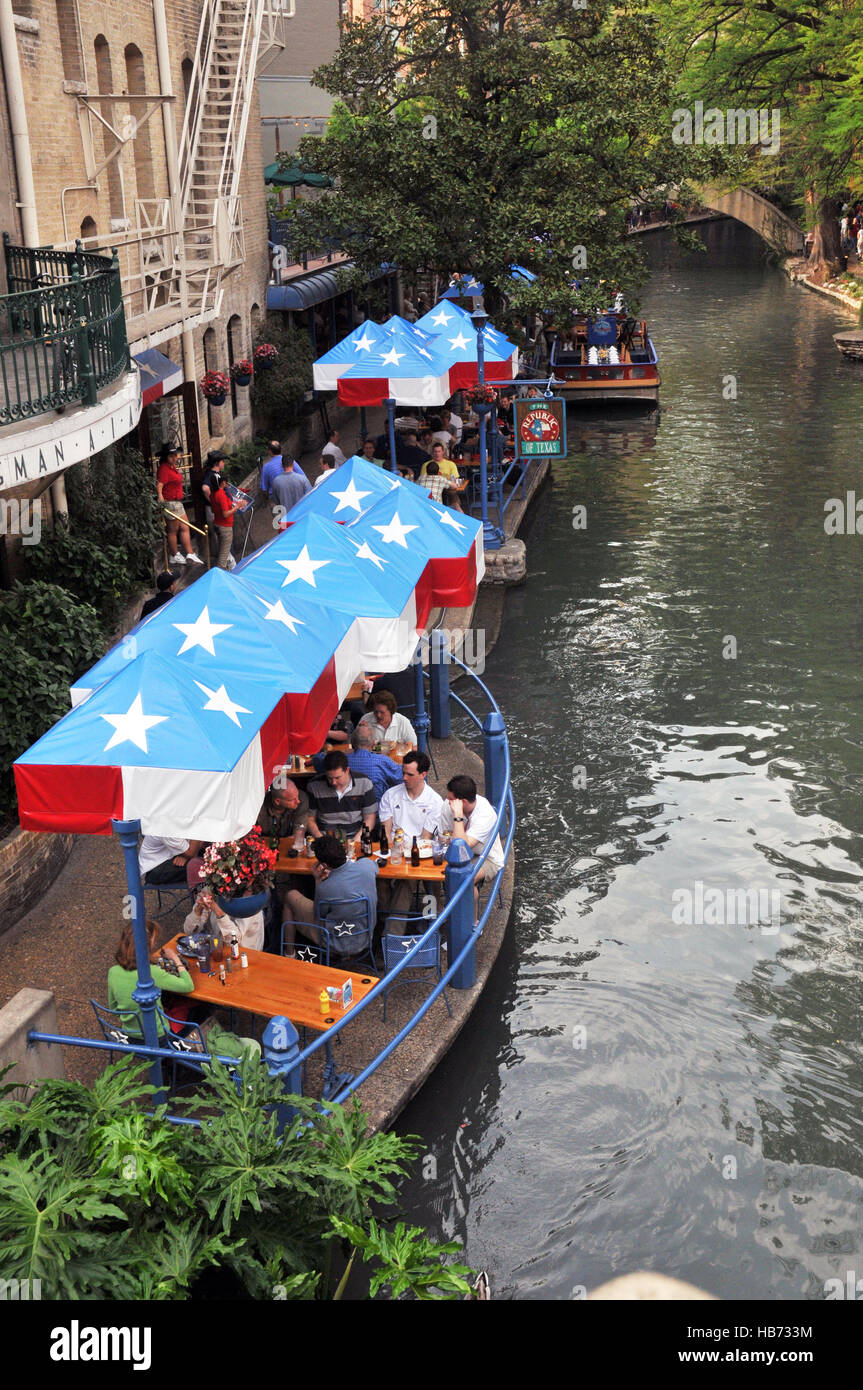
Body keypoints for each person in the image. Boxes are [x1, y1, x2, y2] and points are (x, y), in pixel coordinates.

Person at [283, 835, 378, 955]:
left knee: (290, 896)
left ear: (324, 864)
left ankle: (289, 954)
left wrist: (317, 880)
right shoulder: (367, 866)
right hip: (365, 936)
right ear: (343, 849)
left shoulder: (325, 888)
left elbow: (319, 914)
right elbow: (374, 867)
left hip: (334, 941)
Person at [107, 920, 194, 1035]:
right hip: (159, 1037)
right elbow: (188, 986)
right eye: (153, 940)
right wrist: (175, 958)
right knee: (201, 1009)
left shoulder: (113, 971)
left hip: (129, 1035)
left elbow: (114, 1010)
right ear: (147, 944)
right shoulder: (151, 972)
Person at [439, 774, 505, 917]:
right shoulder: (447, 805)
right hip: (454, 854)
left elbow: (461, 847)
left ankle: (472, 924)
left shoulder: (485, 814)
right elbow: (443, 837)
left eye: (451, 800)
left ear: (462, 802)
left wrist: (458, 816)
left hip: (486, 857)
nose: (447, 802)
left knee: (464, 879)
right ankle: (443, 912)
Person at [311, 725, 402, 802]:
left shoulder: (339, 760)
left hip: (346, 811)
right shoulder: (382, 761)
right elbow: (402, 775)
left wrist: (343, 752)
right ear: (373, 744)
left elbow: (317, 760)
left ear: (352, 743)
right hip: (377, 813)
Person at [306, 751, 378, 840]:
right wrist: (321, 839)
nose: (333, 782)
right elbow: (309, 818)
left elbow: (370, 818)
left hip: (355, 836)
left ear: (347, 770)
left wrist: (357, 839)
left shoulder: (364, 782)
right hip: (325, 836)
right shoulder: (314, 786)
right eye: (329, 778)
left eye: (337, 778)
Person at [379, 752, 444, 842]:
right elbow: (386, 833)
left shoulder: (435, 802)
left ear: (423, 775)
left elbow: (426, 837)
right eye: (403, 773)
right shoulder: (389, 795)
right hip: (394, 849)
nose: (404, 778)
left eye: (410, 775)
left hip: (420, 850)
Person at [156, 444, 202, 568]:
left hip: (177, 503)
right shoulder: (164, 469)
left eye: (175, 455)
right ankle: (174, 555)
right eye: (172, 456)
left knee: (185, 527)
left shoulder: (172, 467)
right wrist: (160, 496)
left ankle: (190, 553)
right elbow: (160, 485)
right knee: (173, 530)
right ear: (166, 457)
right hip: (171, 503)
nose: (175, 458)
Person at [183, 885, 265, 953]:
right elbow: (188, 931)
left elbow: (233, 941)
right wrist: (198, 909)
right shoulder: (210, 890)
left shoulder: (250, 902)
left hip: (246, 956)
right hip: (217, 951)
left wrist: (218, 911)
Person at [139, 834, 205, 885]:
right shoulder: (166, 825)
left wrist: (187, 856)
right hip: (154, 867)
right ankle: (204, 899)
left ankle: (207, 895)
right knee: (202, 867)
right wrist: (189, 856)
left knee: (208, 858)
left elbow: (201, 843)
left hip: (173, 854)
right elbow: (192, 852)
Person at [210, 471, 240, 569]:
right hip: (225, 527)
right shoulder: (221, 494)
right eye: (226, 482)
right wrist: (237, 507)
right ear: (223, 483)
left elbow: (213, 509)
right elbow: (225, 514)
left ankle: (231, 567)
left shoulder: (213, 493)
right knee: (223, 558)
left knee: (224, 552)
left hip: (217, 524)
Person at [271, 455, 311, 527]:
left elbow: (276, 500)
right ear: (293, 464)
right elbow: (310, 497)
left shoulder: (276, 482)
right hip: (302, 518)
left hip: (286, 521)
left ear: (282, 465)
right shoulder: (302, 479)